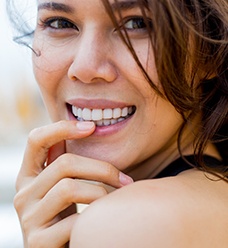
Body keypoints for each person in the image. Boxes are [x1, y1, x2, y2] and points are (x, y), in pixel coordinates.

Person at [9, 0, 228, 247]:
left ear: (209, 52)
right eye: (60, 23)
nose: (84, 67)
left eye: (137, 24)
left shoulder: (130, 223)